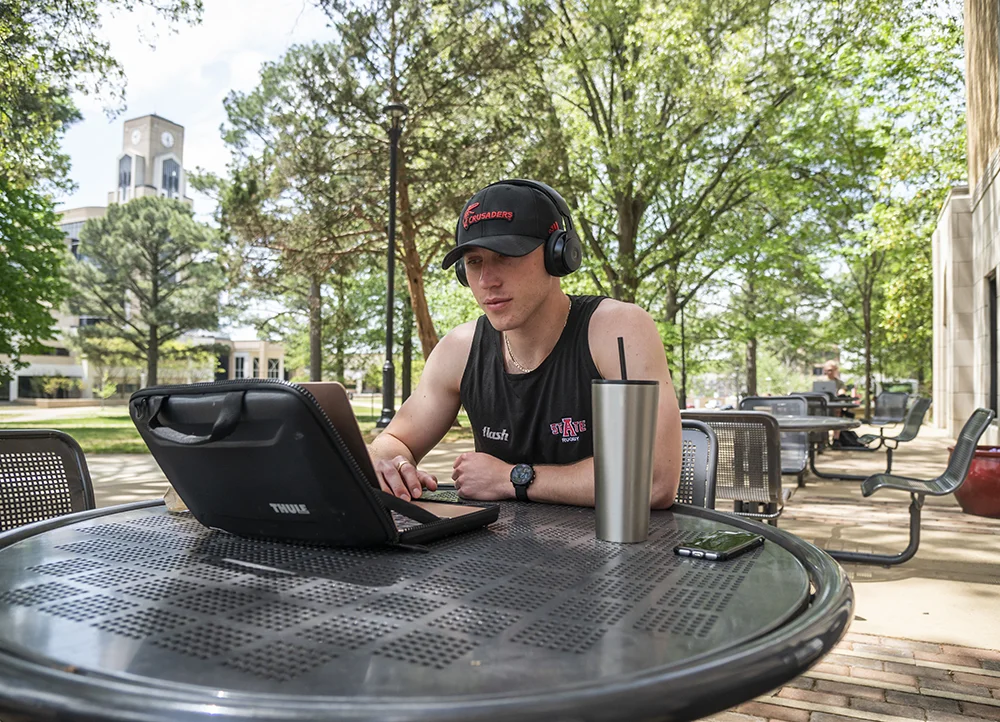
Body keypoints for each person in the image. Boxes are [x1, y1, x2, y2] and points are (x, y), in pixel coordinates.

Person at [368, 179, 682, 508]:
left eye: (505, 255)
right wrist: (391, 464)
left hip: (621, 554)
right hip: (499, 556)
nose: (487, 280)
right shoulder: (458, 350)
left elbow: (654, 479)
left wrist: (512, 477)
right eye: (474, 262)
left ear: (557, 254)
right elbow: (391, 441)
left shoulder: (619, 330)